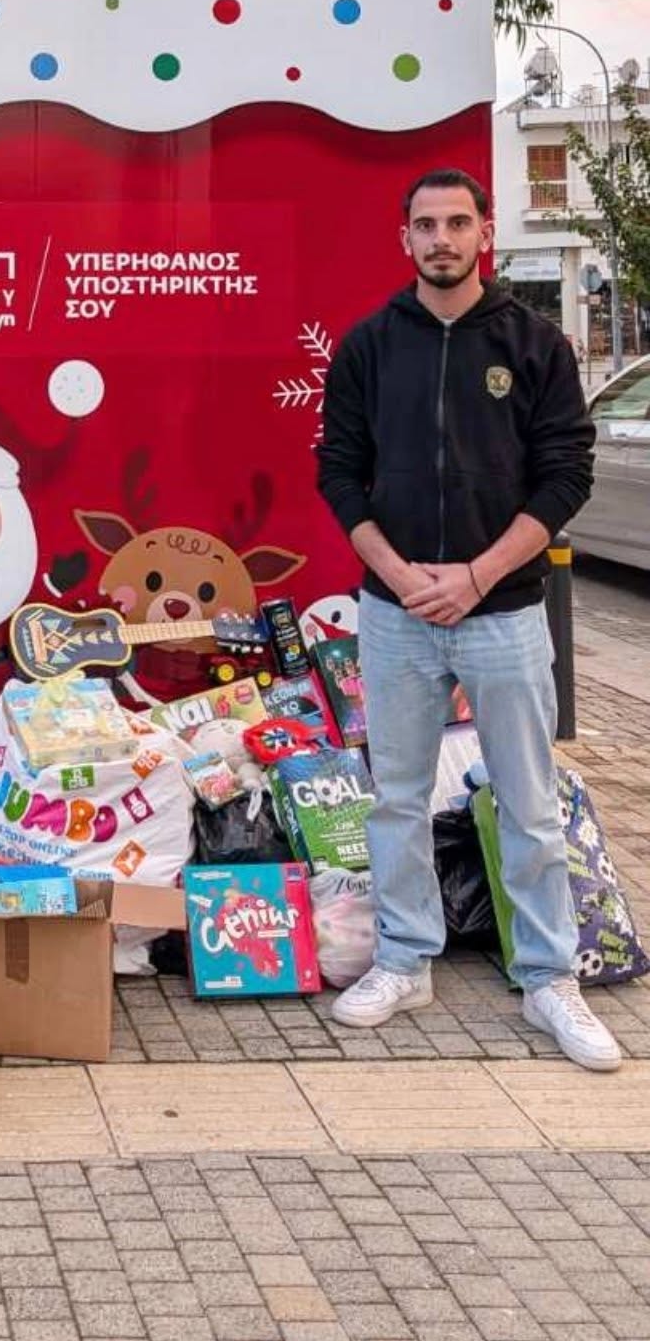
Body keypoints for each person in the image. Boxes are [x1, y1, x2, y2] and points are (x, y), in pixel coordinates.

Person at [316, 167, 620, 1071]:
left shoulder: (534, 344)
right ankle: (405, 960)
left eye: (457, 222)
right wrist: (402, 577)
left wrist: (477, 577)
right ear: (403, 238)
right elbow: (339, 472)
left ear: (486, 232)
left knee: (529, 803)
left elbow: (566, 475)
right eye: (425, 224)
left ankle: (550, 978)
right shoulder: (370, 346)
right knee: (396, 799)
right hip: (396, 614)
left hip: (506, 613)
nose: (441, 238)